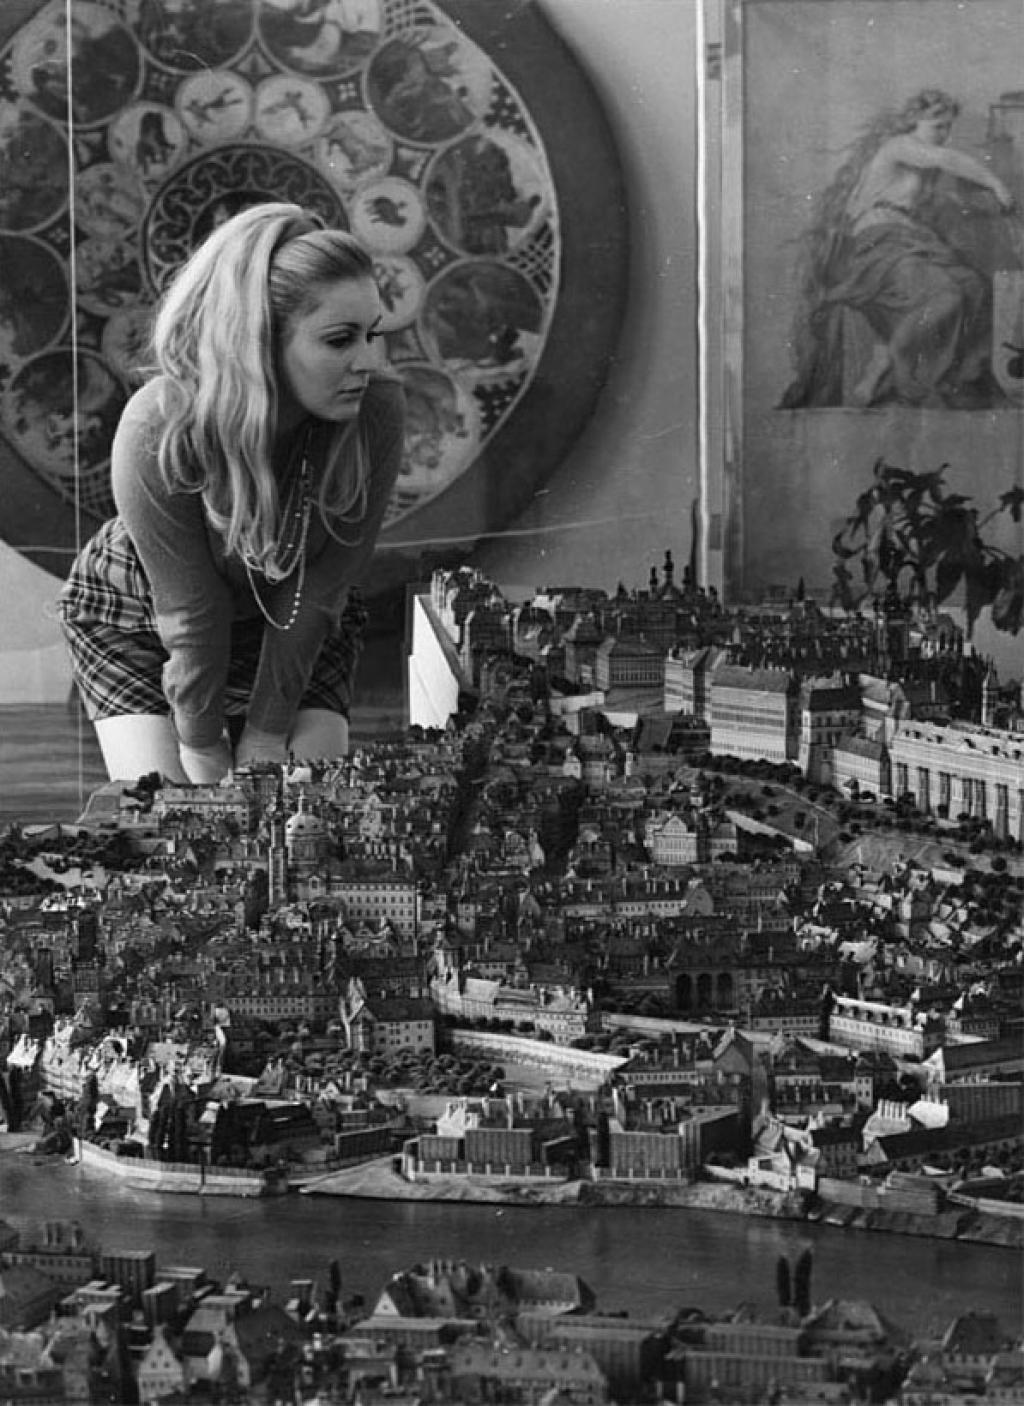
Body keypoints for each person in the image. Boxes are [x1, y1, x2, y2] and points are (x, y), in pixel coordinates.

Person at [58, 202, 404, 784]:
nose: (368, 361)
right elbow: (192, 610)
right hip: (140, 617)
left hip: (299, 616)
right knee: (169, 810)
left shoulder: (378, 409)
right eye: (340, 339)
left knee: (310, 808)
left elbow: (324, 589)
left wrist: (266, 734)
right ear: (259, 339)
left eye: (373, 334)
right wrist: (203, 745)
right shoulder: (157, 425)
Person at [781, 90, 1017, 409]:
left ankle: (961, 378)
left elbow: (936, 200)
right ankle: (886, 361)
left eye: (948, 127)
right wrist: (996, 183)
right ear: (914, 121)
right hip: (880, 243)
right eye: (937, 126)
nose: (944, 134)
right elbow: (946, 158)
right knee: (945, 295)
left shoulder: (923, 167)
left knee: (975, 286)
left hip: (910, 241)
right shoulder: (899, 146)